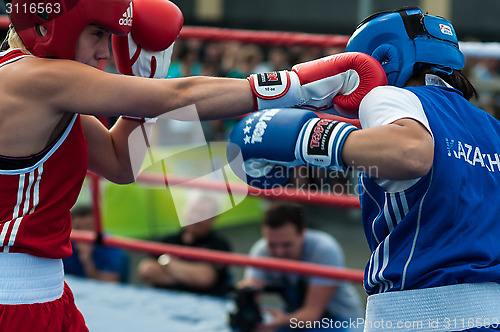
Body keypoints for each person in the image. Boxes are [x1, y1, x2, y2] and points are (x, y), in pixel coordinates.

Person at [0, 0, 383, 328]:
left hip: (44, 292)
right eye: (97, 33)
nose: (105, 52)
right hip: (16, 299)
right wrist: (298, 83)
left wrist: (141, 92)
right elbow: (178, 96)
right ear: (51, 28)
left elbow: (120, 164)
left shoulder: (44, 90)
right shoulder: (37, 79)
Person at [228, 6, 500, 332]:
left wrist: (306, 137)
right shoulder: (492, 128)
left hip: (415, 313)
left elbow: (410, 152)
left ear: (384, 58)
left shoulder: (389, 97)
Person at [238, 202, 363, 332]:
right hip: (297, 318)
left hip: (341, 321)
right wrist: (245, 298)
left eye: (286, 245)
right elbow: (252, 290)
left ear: (303, 232)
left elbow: (312, 315)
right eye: (272, 245)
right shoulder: (262, 250)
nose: (279, 252)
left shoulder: (324, 249)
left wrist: (281, 321)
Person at [137, 193, 232, 296]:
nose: (196, 217)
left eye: (203, 213)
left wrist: (166, 262)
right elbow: (146, 269)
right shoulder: (169, 240)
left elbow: (205, 278)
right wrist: (190, 279)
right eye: (193, 211)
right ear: (185, 211)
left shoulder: (219, 245)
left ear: (213, 218)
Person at [63, 205, 128, 282]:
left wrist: (87, 261)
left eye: (89, 227)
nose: (84, 232)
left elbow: (111, 282)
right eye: (78, 228)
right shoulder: (65, 244)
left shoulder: (109, 244)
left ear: (98, 228)